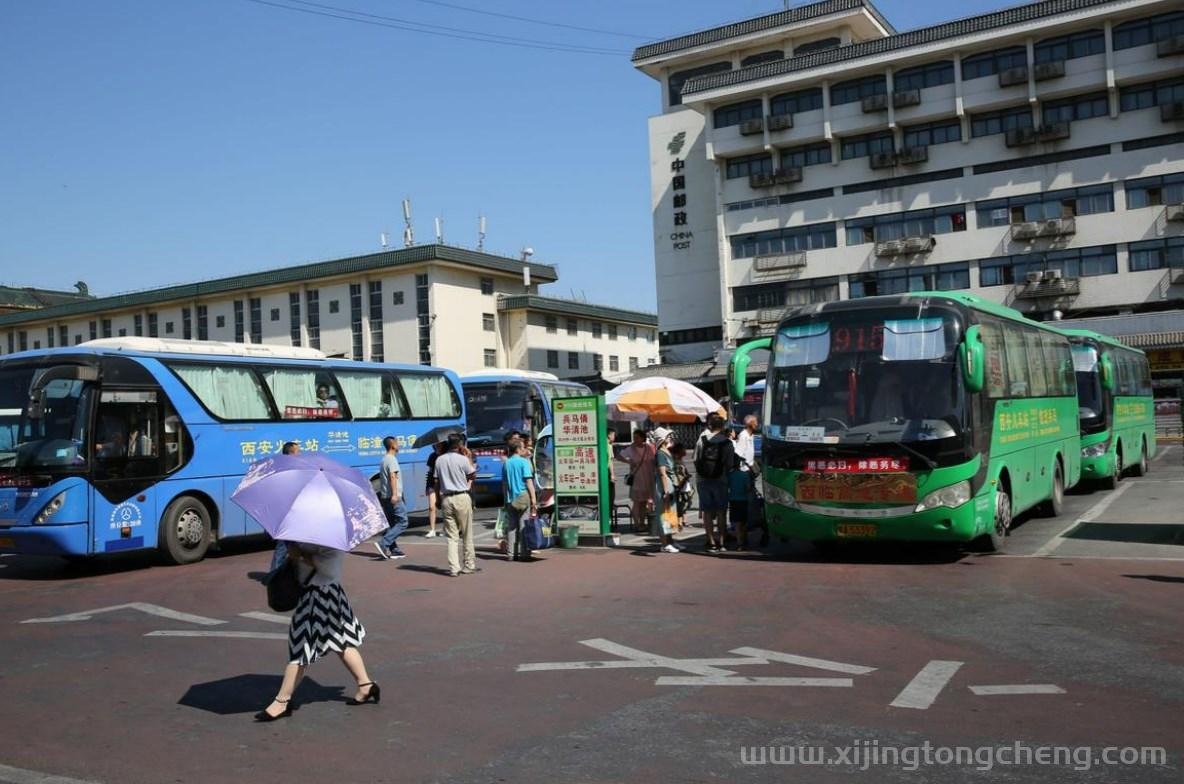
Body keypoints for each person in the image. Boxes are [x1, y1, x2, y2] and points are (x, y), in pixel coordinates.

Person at [256, 542, 375, 722]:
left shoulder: (332, 536)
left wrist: (299, 555)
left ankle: (282, 701)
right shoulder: (311, 532)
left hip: (321, 596)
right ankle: (366, 685)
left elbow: (329, 568)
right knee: (340, 640)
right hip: (321, 593)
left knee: (301, 646)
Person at [436, 433, 479, 577]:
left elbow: (436, 482)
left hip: (446, 498)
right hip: (461, 496)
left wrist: (438, 498)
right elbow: (473, 475)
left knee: (451, 536)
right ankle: (469, 564)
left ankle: (454, 568)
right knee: (467, 533)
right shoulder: (463, 459)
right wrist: (469, 460)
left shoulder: (439, 460)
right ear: (459, 444)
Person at [695, 413, 735, 553]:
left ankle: (711, 541)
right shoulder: (727, 443)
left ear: (710, 425)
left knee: (707, 511)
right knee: (721, 512)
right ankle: (722, 541)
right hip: (721, 480)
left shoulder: (702, 440)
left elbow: (696, 459)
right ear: (723, 426)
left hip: (703, 480)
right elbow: (730, 465)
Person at [501, 441, 537, 562]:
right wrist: (533, 499)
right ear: (517, 449)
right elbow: (529, 482)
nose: (524, 449)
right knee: (523, 526)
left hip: (510, 498)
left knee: (512, 527)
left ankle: (511, 554)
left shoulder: (506, 464)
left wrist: (505, 500)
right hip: (522, 497)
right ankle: (524, 553)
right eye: (522, 447)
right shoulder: (524, 462)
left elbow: (504, 484)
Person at [374, 437, 408, 561]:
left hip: (385, 496)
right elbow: (393, 477)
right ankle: (383, 543)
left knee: (392, 523)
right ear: (393, 445)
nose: (399, 445)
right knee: (403, 522)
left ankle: (395, 550)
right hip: (393, 496)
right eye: (397, 443)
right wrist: (395, 494)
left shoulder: (384, 459)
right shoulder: (392, 459)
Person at [269, 441, 301, 573]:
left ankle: (289, 574)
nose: (300, 454)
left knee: (293, 545)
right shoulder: (286, 469)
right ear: (290, 453)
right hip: (287, 513)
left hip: (293, 513)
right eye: (297, 452)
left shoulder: (290, 468)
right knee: (283, 545)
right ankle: (274, 575)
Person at [619, 429, 656, 534]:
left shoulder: (648, 448)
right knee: (636, 502)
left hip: (648, 479)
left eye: (637, 437)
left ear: (643, 438)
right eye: (634, 437)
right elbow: (618, 456)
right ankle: (636, 524)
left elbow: (653, 460)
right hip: (637, 480)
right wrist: (628, 461)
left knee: (644, 502)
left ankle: (642, 523)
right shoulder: (631, 449)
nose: (635, 439)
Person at [652, 428, 680, 553]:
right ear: (662, 439)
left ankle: (671, 542)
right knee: (664, 514)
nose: (670, 437)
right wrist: (666, 491)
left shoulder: (665, 451)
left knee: (670, 513)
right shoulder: (660, 453)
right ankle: (664, 544)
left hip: (669, 484)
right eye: (667, 436)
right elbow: (662, 474)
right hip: (664, 485)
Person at [727, 455, 753, 551]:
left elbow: (727, 487)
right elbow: (748, 488)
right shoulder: (745, 475)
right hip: (743, 500)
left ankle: (739, 543)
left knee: (737, 523)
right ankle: (745, 539)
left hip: (733, 500)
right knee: (744, 522)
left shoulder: (730, 475)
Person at [424, 442, 444, 538]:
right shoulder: (432, 456)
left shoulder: (446, 455)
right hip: (433, 484)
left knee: (445, 507)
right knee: (432, 507)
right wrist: (427, 486)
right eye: (436, 445)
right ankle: (432, 530)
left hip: (444, 484)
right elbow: (430, 472)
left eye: (439, 445)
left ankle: (446, 528)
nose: (437, 446)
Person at [670, 442, 693, 529]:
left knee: (682, 503)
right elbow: (680, 474)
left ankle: (683, 521)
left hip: (682, 486)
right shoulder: (677, 461)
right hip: (680, 486)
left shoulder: (677, 460)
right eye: (683, 449)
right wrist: (686, 476)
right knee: (680, 504)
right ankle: (678, 523)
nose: (685, 451)